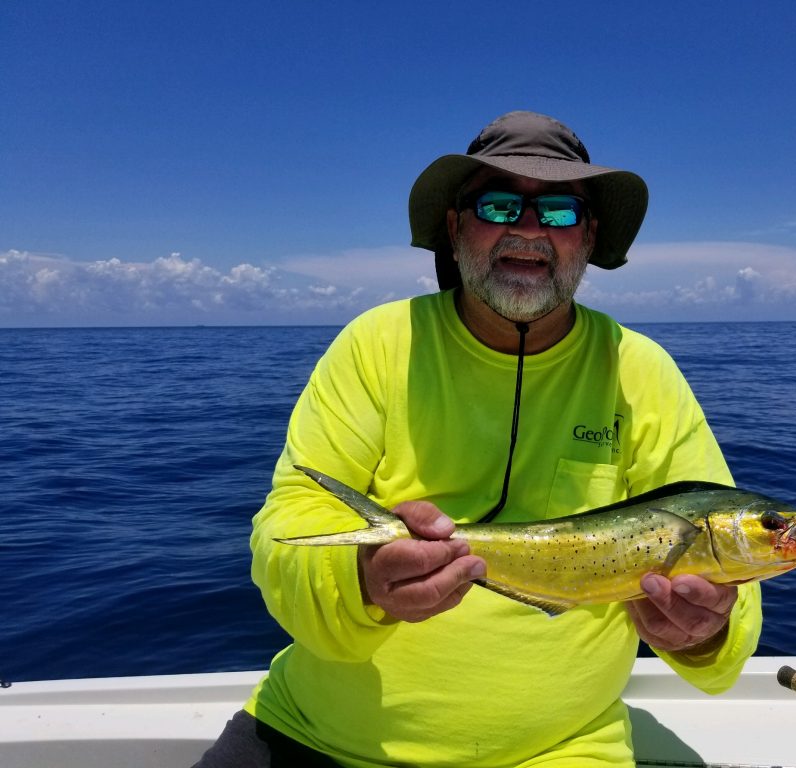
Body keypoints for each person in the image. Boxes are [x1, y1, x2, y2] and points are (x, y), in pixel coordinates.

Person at [194, 111, 762, 768]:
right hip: (316, 734)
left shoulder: (643, 372)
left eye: (558, 210)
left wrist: (704, 634)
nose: (528, 228)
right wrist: (362, 580)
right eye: (498, 204)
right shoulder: (376, 345)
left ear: (589, 234)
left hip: (563, 749)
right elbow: (285, 531)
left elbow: (731, 607)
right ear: (457, 226)